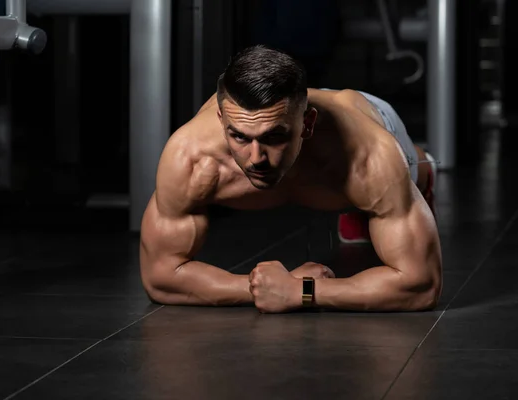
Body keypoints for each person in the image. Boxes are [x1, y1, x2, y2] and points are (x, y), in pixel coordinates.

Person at [139, 45, 442, 313]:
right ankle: (357, 205)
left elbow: (421, 285)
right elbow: (160, 278)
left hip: (366, 117)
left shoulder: (369, 155)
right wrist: (262, 287)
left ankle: (417, 170)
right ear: (222, 121)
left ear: (307, 125)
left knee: (405, 172)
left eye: (274, 137)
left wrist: (303, 292)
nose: (256, 157)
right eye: (239, 136)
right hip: (328, 174)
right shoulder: (190, 158)